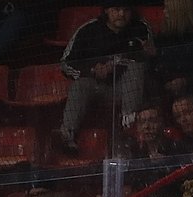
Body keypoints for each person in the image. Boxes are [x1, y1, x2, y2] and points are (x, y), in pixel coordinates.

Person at [57, 4, 152, 153]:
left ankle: (129, 128)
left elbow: (146, 58)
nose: (121, 14)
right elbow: (66, 63)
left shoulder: (140, 27)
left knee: (136, 68)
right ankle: (67, 135)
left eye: (126, 9)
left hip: (129, 89)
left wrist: (115, 64)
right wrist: (93, 70)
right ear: (107, 10)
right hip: (98, 87)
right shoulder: (88, 30)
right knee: (80, 85)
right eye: (116, 9)